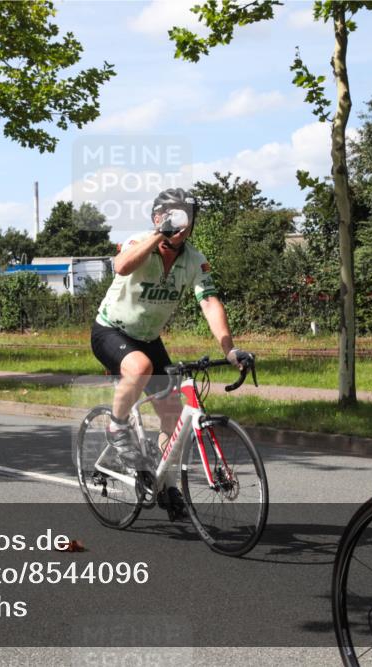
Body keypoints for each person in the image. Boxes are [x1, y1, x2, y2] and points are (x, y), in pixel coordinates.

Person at [91, 188, 253, 520]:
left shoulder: (194, 259)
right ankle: (117, 427)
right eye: (175, 216)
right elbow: (121, 266)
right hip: (110, 330)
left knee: (172, 416)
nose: (183, 224)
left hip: (149, 336)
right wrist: (156, 236)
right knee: (141, 367)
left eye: (188, 218)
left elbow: (208, 302)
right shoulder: (140, 242)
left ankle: (163, 485)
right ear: (158, 218)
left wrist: (230, 349)